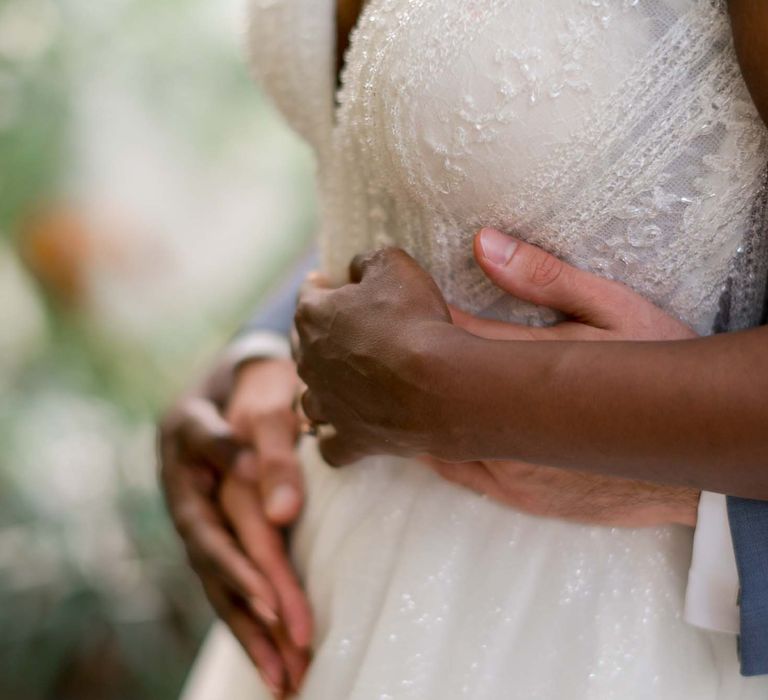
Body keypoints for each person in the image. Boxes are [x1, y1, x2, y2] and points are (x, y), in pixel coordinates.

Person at [160, 0, 768, 697]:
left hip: (598, 623)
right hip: (326, 586)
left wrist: (495, 398)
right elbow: (391, 171)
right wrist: (265, 352)